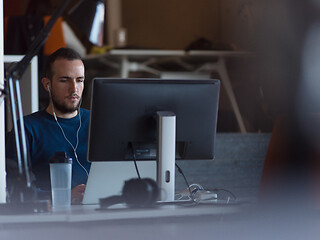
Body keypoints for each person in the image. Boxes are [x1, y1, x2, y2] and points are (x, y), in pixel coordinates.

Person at [6, 47, 91, 204]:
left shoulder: (97, 122)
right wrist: (62, 196)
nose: (74, 89)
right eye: (64, 80)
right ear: (47, 84)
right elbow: (13, 189)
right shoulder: (28, 128)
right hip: (49, 218)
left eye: (79, 80)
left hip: (99, 211)